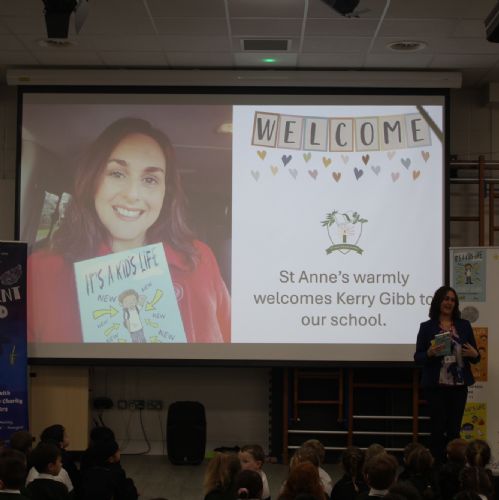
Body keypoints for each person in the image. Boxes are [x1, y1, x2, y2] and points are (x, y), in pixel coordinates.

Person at [27, 117, 230, 344]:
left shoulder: (200, 258)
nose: (133, 194)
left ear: (166, 192)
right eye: (117, 174)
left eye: (150, 179)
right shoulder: (41, 271)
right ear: (93, 181)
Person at [414, 285, 480, 463]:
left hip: (459, 386)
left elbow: (475, 357)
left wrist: (475, 354)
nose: (449, 302)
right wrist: (429, 353)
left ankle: (455, 468)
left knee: (454, 430)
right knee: (437, 430)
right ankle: (437, 469)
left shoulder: (464, 326)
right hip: (435, 387)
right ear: (438, 301)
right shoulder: (427, 327)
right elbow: (418, 357)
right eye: (446, 299)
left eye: (452, 300)